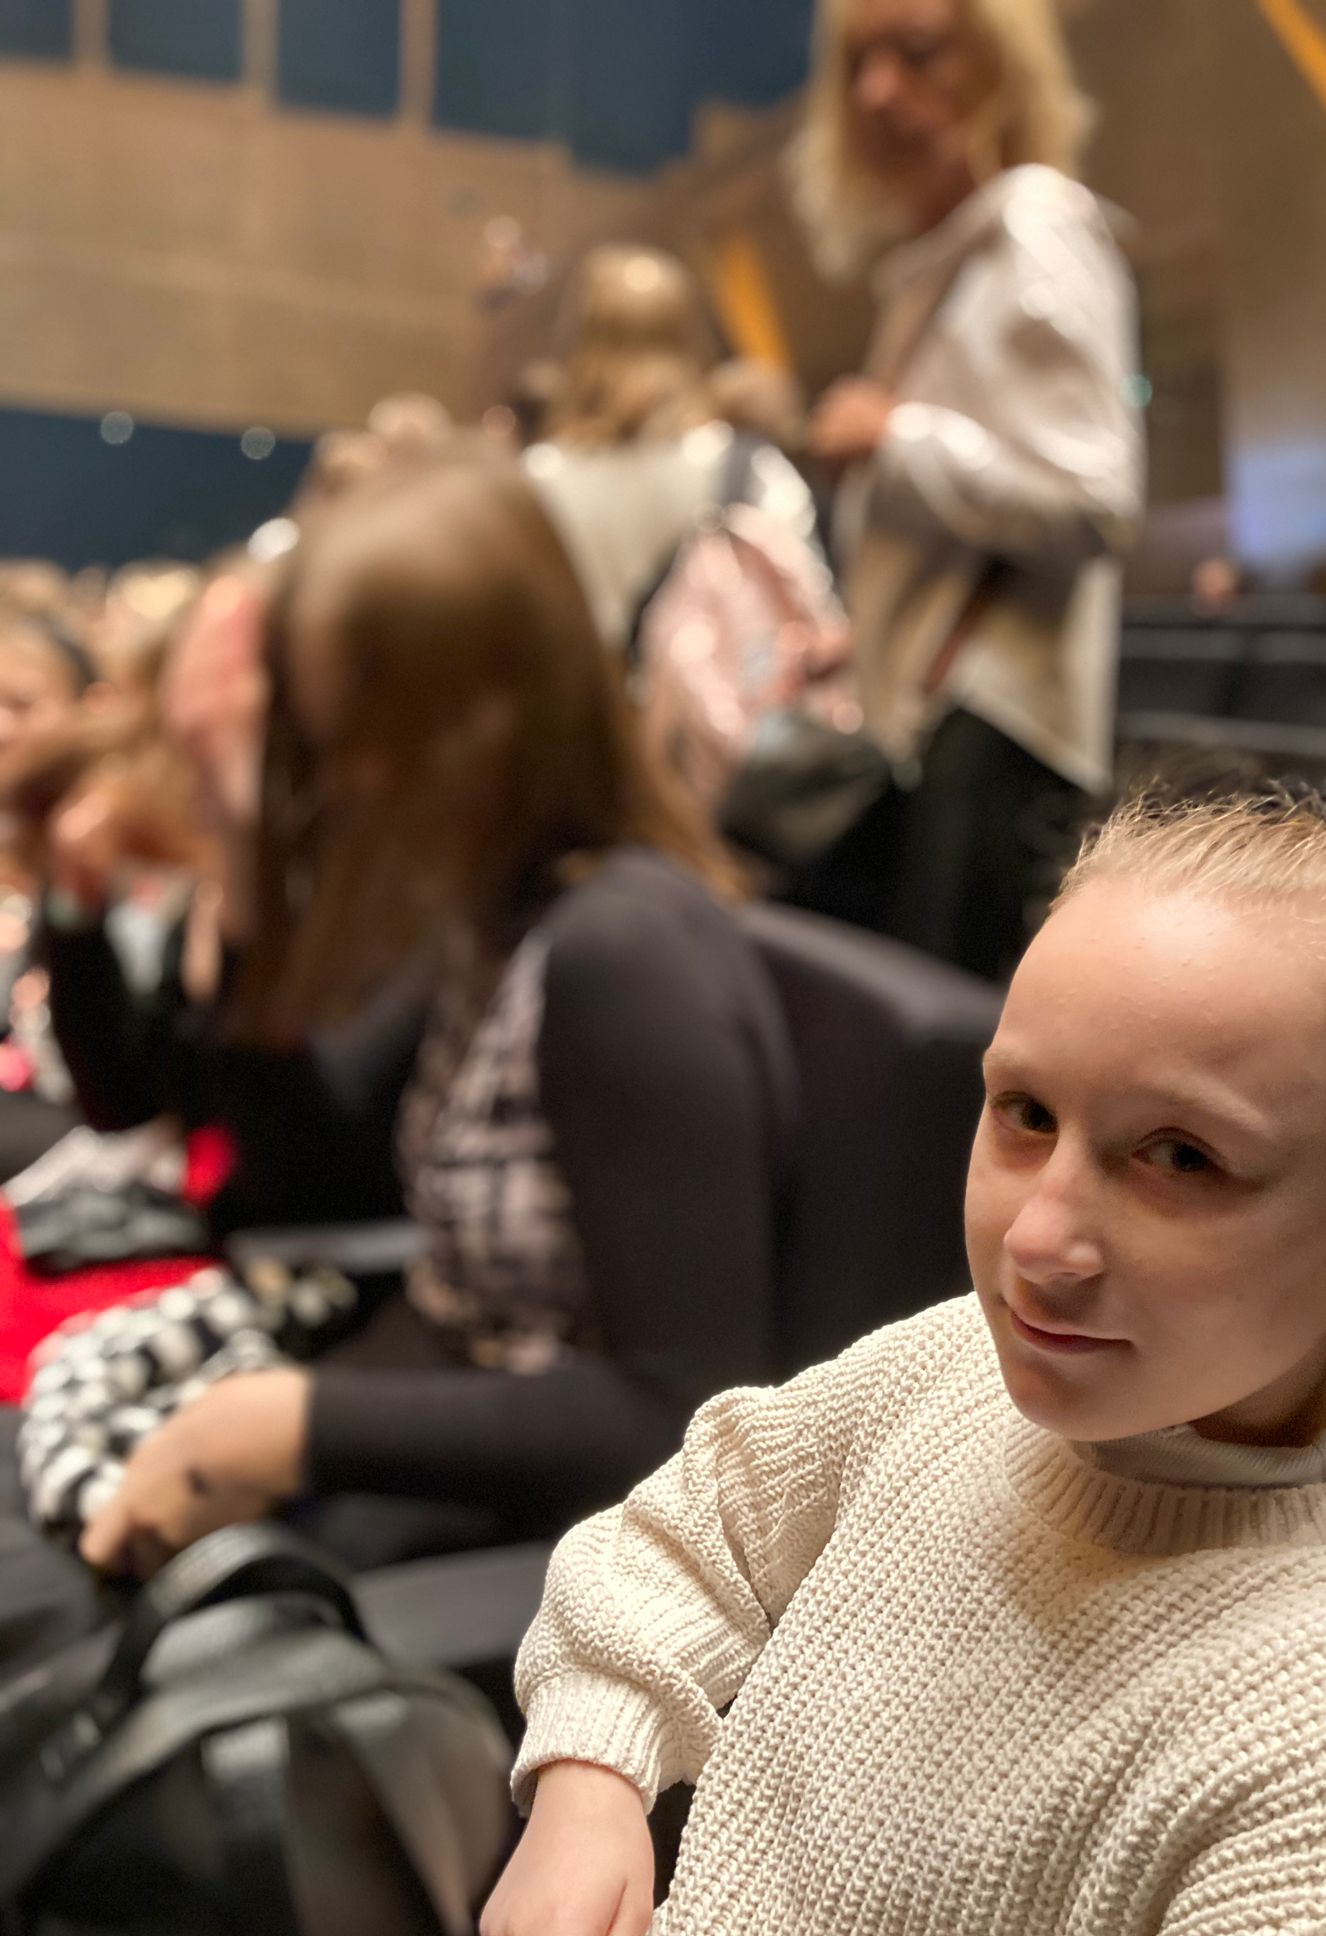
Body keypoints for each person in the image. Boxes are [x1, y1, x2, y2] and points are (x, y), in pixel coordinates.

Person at [483, 785, 1326, 1936]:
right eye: (1028, 1114)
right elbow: (689, 1531)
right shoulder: (955, 1373)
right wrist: (593, 1773)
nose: (1037, 1239)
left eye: (1181, 1156)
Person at [71, 445, 794, 1579]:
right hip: (434, 1411)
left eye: (357, 741)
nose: (342, 781)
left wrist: (296, 1426)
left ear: (481, 721)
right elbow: (309, 1165)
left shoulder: (620, 952)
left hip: (542, 1548)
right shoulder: (499, 908)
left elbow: (685, 1415)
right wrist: (241, 839)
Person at [799, 0, 1144, 980]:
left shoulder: (1034, 230)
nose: (877, 93)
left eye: (918, 53)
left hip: (987, 738)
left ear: (1000, 63)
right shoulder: (955, 254)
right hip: (936, 728)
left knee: (938, 1044)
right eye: (859, 64)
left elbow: (1094, 502)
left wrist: (896, 437)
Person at [525, 246, 819, 657]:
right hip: (719, 693)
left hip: (589, 692)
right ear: (690, 336)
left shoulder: (536, 479)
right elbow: (807, 596)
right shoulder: (745, 466)